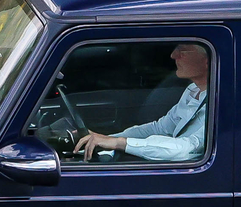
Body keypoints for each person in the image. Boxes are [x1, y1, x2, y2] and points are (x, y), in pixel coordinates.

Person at [76, 43, 209, 163]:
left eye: (183, 50)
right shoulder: (192, 90)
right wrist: (105, 139)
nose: (173, 55)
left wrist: (119, 143)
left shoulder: (223, 103)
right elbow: (160, 128)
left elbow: (187, 149)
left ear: (207, 60)